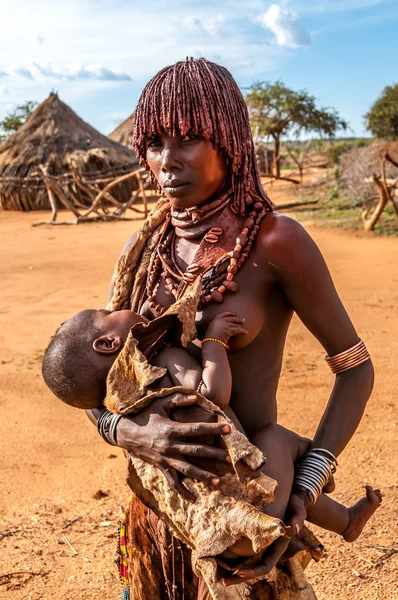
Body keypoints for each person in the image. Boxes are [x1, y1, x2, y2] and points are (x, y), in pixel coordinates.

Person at [82, 58, 375, 598]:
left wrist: (302, 489)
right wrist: (131, 433)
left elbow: (355, 368)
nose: (166, 161)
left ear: (230, 141)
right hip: (160, 516)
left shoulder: (274, 242)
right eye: (154, 143)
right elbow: (97, 380)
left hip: (245, 511)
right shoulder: (144, 250)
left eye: (189, 137)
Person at [43, 306, 381, 560]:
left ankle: (345, 520)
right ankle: (315, 471)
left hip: (211, 530)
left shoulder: (125, 399)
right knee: (273, 438)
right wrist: (214, 341)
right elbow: (213, 393)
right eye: (108, 312)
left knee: (273, 470)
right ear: (107, 342)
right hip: (247, 521)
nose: (121, 305)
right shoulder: (168, 358)